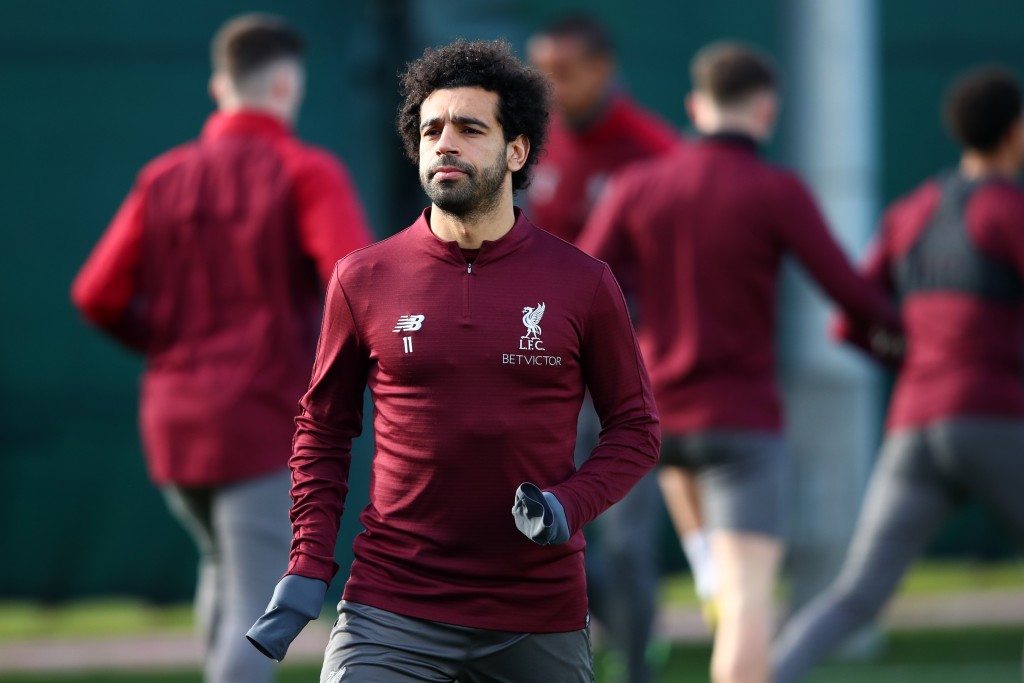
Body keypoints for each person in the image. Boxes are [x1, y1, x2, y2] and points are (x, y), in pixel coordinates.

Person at [244, 39, 660, 683]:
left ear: (516, 151)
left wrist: (567, 506)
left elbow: (636, 429)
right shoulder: (363, 277)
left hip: (538, 613)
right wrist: (306, 564)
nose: (445, 143)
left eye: (470, 128)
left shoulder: (583, 281)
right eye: (432, 129)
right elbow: (322, 430)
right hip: (391, 605)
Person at [577, 42, 902, 683]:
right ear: (767, 110)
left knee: (629, 558)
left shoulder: (638, 185)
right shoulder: (776, 191)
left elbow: (580, 281)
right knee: (748, 599)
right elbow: (852, 293)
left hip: (645, 416)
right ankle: (712, 574)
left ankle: (650, 646)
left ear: (696, 107)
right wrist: (916, 333)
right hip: (741, 423)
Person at [70, 14, 372, 683]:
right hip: (261, 419)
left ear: (219, 86)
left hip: (176, 423)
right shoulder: (306, 171)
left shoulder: (164, 176)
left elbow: (96, 293)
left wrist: (167, 347)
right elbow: (355, 285)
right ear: (287, 86)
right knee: (258, 610)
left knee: (224, 568)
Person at [772, 66, 1024, 683]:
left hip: (915, 422)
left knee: (857, 595)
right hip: (993, 415)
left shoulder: (910, 212)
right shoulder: (1009, 210)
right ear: (1015, 132)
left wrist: (914, 358)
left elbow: (849, 323)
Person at [526, 14, 679, 683]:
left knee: (623, 535)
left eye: (563, 73)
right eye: (542, 73)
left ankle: (640, 664)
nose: (550, 87)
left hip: (627, 365)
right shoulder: (534, 143)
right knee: (546, 520)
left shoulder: (652, 151)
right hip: (545, 362)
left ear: (601, 68)